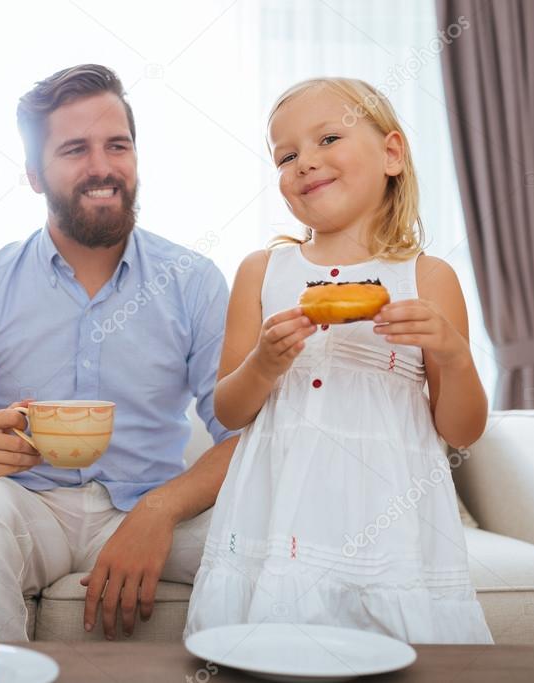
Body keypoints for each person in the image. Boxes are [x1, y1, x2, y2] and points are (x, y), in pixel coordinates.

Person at [0, 64, 239, 642]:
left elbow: (240, 437)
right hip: (29, 510)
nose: (103, 167)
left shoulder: (193, 280)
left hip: (149, 502)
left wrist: (158, 513)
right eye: (75, 150)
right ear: (35, 175)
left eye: (118, 145)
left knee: (263, 528)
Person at [185, 77, 493, 644]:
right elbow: (228, 411)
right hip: (279, 518)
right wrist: (263, 364)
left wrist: (453, 353)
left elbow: (462, 428)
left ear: (392, 154)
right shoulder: (262, 271)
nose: (305, 163)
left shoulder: (427, 278)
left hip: (387, 519)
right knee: (270, 652)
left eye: (328, 138)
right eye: (286, 155)